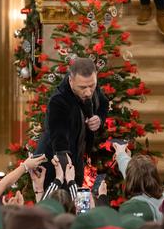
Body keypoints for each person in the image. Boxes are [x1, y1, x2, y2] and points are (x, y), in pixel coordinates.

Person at [36, 58, 109, 189]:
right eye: (82, 88)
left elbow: (104, 103)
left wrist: (99, 119)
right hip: (54, 165)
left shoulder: (90, 83)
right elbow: (61, 148)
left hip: (77, 156)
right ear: (71, 81)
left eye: (91, 86)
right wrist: (71, 182)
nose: (88, 92)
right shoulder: (58, 102)